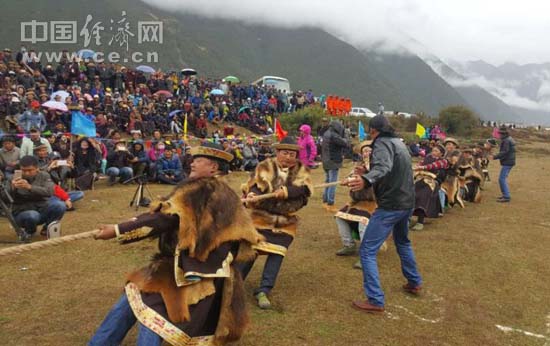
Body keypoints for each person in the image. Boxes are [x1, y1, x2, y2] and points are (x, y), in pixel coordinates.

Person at [89, 142, 262, 346]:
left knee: (153, 315)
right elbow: (163, 213)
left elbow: (166, 218)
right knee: (132, 298)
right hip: (179, 264)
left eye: (198, 160)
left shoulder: (203, 190)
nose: (192, 163)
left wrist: (117, 231)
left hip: (195, 271)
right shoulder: (210, 189)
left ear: (213, 167)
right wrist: (127, 224)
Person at [345, 114, 422, 313]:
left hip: (391, 205)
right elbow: (390, 169)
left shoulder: (381, 144)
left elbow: (384, 167)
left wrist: (365, 180)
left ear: (372, 131)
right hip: (406, 202)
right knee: (403, 242)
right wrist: (367, 171)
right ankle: (414, 282)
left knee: (367, 250)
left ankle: (375, 299)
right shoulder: (399, 143)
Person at [240, 137, 312, 309]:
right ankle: (235, 283)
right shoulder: (266, 166)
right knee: (252, 250)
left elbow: (304, 190)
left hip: (285, 220)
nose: (288, 157)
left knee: (277, 253)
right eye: (285, 153)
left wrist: (287, 192)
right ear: (278, 152)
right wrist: (252, 194)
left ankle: (264, 289)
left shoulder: (301, 170)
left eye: (292, 154)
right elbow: (257, 184)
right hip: (261, 216)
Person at [334, 140, 381, 269]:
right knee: (340, 216)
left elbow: (376, 179)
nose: (367, 153)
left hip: (375, 203)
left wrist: (366, 171)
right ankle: (349, 245)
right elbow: (353, 177)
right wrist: (348, 180)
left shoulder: (379, 166)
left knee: (363, 221)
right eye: (364, 151)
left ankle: (366, 254)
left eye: (369, 151)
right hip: (358, 201)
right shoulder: (358, 166)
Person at [6, 155, 66, 242]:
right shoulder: (12, 178)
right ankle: (29, 231)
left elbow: (49, 192)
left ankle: (47, 228)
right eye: (24, 170)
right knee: (32, 215)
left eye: (30, 170)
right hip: (21, 213)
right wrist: (12, 188)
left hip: (41, 209)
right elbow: (4, 198)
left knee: (60, 205)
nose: (26, 173)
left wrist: (30, 187)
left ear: (37, 168)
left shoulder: (44, 176)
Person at [412, 143, 447, 231]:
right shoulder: (427, 158)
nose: (433, 152)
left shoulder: (443, 161)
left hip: (432, 182)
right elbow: (419, 165)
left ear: (441, 153)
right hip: (421, 180)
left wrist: (422, 167)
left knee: (423, 196)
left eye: (436, 151)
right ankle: (406, 219)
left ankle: (420, 222)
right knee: (411, 194)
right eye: (433, 150)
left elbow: (433, 166)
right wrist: (417, 167)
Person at [321, 120, 349, 212]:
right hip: (333, 161)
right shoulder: (334, 135)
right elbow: (345, 143)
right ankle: (330, 203)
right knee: (333, 183)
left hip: (325, 160)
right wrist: (345, 135)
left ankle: (325, 201)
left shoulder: (326, 133)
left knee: (328, 181)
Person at [492, 126, 515, 203]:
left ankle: (506, 196)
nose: (499, 135)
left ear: (504, 134)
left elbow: (504, 152)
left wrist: (494, 157)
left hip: (508, 162)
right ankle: (505, 195)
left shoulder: (506, 141)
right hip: (510, 161)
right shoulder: (508, 139)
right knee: (502, 179)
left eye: (501, 134)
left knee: (501, 179)